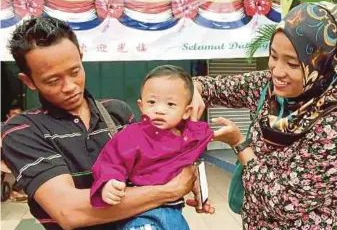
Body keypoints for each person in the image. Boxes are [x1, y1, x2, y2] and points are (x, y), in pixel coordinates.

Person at [2, 16, 213, 230]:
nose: (70, 87)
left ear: (81, 58)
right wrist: (170, 191)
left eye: (75, 71)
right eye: (53, 80)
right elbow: (69, 211)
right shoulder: (22, 131)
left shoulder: (117, 112)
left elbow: (153, 161)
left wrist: (188, 175)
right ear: (28, 81)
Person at [191, 2, 337, 229]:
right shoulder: (270, 86)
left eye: (293, 63)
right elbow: (211, 87)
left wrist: (240, 145)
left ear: (324, 65)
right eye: (273, 56)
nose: (277, 71)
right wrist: (192, 90)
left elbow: (284, 204)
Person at [90, 65, 213, 230]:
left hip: (174, 212)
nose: (160, 110)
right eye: (152, 102)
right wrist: (109, 183)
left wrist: (201, 192)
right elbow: (111, 161)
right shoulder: (132, 136)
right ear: (141, 106)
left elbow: (195, 155)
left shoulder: (186, 137)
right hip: (141, 214)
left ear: (186, 111)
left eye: (170, 104)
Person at [1, 101, 28, 202]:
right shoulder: (1, 127)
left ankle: (15, 191)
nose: (17, 117)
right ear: (8, 116)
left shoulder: (25, 128)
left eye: (19, 115)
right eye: (14, 115)